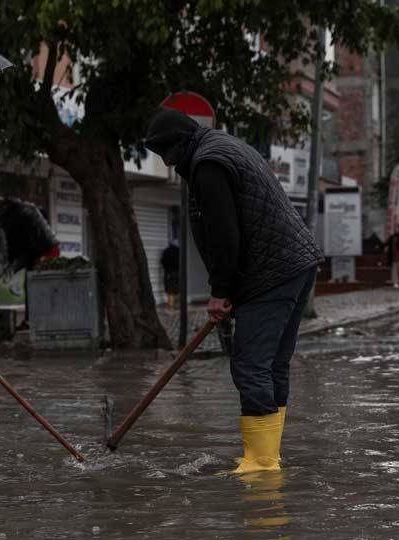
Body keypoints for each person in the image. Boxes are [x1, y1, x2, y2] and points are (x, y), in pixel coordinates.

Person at [144, 108, 323, 474]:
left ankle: (260, 463)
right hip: (295, 265)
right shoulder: (222, 147)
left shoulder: (208, 164)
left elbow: (226, 236)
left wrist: (220, 292)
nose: (165, 161)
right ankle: (268, 456)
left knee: (251, 365)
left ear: (179, 143)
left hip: (271, 272)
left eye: (164, 152)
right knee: (272, 365)